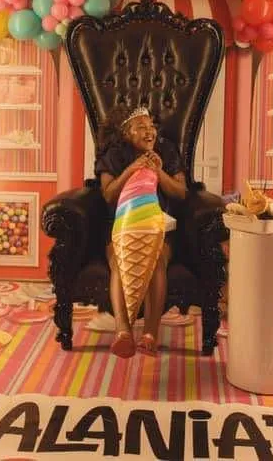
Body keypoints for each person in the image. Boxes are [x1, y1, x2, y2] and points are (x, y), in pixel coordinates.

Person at [95, 106, 187, 357]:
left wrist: (158, 171)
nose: (150, 132)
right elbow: (108, 194)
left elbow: (181, 192)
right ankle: (123, 333)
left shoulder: (166, 151)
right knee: (119, 262)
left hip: (159, 227)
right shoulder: (114, 155)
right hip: (121, 227)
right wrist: (132, 170)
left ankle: (149, 336)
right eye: (141, 127)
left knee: (156, 261)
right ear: (127, 133)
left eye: (151, 127)